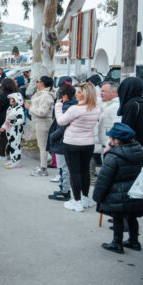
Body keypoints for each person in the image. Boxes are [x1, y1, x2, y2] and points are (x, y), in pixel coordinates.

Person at [92, 123, 143, 253]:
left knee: (118, 218)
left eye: (111, 138)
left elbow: (104, 179)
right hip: (136, 192)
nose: (110, 140)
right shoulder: (139, 152)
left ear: (117, 140)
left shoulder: (113, 156)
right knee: (132, 217)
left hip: (118, 194)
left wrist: (97, 196)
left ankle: (117, 243)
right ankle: (134, 241)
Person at [55, 82, 101, 212]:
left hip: (72, 143)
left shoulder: (75, 109)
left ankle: (76, 201)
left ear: (86, 95)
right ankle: (85, 198)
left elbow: (61, 121)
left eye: (79, 92)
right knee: (84, 171)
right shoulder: (96, 108)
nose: (76, 94)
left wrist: (58, 106)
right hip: (88, 143)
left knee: (74, 172)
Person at [46, 84, 77, 201]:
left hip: (62, 142)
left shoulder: (65, 107)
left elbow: (62, 126)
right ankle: (64, 189)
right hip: (69, 141)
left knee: (63, 167)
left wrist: (52, 137)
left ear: (64, 96)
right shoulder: (74, 106)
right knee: (65, 168)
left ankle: (65, 191)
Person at [26, 76, 55, 176]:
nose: (37, 83)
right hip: (39, 122)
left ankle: (43, 168)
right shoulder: (41, 94)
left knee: (43, 146)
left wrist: (30, 108)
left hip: (43, 122)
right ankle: (42, 166)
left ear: (42, 83)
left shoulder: (46, 96)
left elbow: (42, 112)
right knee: (42, 146)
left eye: (38, 81)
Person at [117, 77, 143, 149]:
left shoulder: (131, 104)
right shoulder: (142, 101)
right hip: (142, 144)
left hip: (131, 146)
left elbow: (126, 127)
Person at [94, 81, 121, 169]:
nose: (100, 93)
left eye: (103, 91)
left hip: (111, 147)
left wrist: (110, 144)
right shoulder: (108, 105)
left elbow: (117, 127)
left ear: (114, 92)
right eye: (101, 91)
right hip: (107, 146)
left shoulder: (115, 107)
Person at [0, 78, 19, 160]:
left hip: (3, 118)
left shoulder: (4, 95)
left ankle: (2, 154)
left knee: (2, 136)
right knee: (11, 136)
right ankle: (10, 154)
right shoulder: (16, 94)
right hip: (13, 118)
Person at [0, 92, 25, 169]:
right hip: (9, 131)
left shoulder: (19, 109)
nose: (10, 100)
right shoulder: (10, 108)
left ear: (17, 100)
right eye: (10, 99)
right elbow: (7, 119)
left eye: (12, 99)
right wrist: (3, 127)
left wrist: (11, 122)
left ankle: (16, 161)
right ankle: (13, 159)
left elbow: (21, 120)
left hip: (16, 131)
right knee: (11, 145)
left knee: (15, 145)